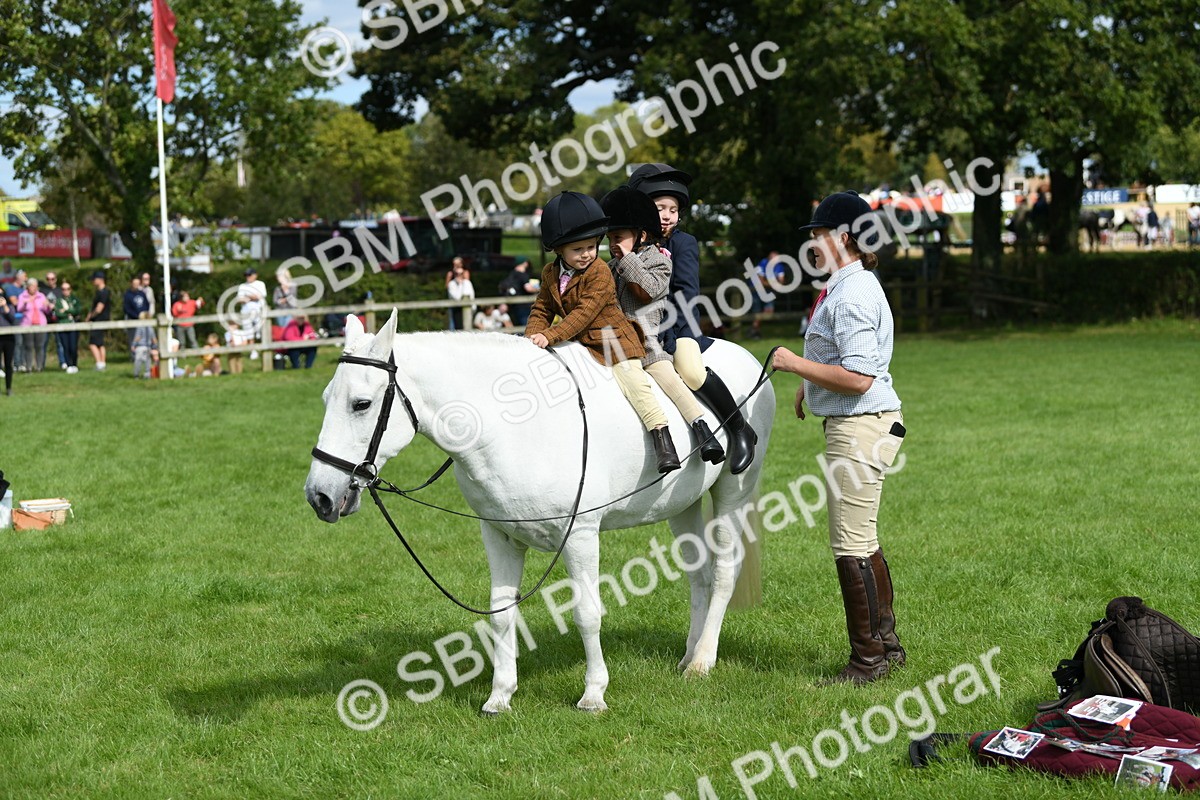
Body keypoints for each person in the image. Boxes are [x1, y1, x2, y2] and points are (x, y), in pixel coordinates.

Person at [770, 190, 907, 685]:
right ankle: (886, 648)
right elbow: (845, 367)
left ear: (844, 237)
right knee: (862, 541)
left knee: (850, 544)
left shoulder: (852, 294)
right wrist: (811, 390)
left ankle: (867, 661)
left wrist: (793, 364)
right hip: (857, 423)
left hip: (858, 428)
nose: (814, 242)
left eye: (820, 234)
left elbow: (859, 377)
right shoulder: (849, 284)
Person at [525, 190, 681, 474]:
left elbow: (583, 314)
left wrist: (549, 336)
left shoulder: (599, 271)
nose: (587, 254)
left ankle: (662, 437)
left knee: (633, 381)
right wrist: (530, 340)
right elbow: (542, 309)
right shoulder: (550, 273)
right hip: (580, 342)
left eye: (591, 246)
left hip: (615, 340)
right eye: (578, 249)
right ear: (559, 250)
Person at [629, 163, 757, 474]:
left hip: (678, 325)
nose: (668, 215)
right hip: (636, 330)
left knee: (690, 370)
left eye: (673, 209)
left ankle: (740, 429)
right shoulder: (631, 244)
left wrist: (665, 332)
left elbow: (686, 294)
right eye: (660, 208)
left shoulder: (683, 244)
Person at [601, 184, 725, 464]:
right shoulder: (611, 268)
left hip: (649, 343)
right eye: (610, 239)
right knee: (632, 380)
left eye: (618, 237)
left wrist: (627, 257)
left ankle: (703, 429)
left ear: (641, 235)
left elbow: (645, 289)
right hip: (622, 347)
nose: (612, 244)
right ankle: (663, 440)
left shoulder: (660, 262)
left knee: (672, 378)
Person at [16, 278, 52, 372]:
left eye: (35, 286)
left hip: (40, 324)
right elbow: (19, 309)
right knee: (28, 346)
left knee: (39, 346)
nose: (34, 288)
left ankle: (39, 367)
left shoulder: (41, 296)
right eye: (32, 286)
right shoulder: (22, 296)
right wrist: (26, 302)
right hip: (27, 324)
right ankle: (28, 367)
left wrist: (48, 306)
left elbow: (46, 311)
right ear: (28, 287)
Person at [748, 251, 783, 339]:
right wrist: (774, 285)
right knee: (757, 311)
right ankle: (755, 332)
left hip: (768, 291)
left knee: (769, 311)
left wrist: (777, 285)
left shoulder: (779, 266)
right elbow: (761, 281)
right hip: (755, 290)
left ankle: (753, 328)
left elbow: (781, 280)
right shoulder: (763, 263)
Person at [498, 257, 539, 326]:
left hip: (513, 305)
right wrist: (539, 289)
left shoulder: (512, 274)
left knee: (518, 327)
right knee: (525, 327)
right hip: (523, 306)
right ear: (525, 263)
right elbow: (528, 288)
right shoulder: (523, 275)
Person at [53, 280, 83, 373]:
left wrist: (65, 310)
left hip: (73, 326)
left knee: (73, 347)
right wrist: (69, 312)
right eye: (63, 289)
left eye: (67, 289)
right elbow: (58, 313)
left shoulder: (75, 299)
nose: (65, 291)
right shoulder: (58, 301)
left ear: (70, 290)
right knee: (65, 346)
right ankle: (69, 364)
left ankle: (74, 364)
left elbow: (77, 311)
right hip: (62, 326)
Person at [85, 270, 111, 370]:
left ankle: (99, 363)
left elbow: (99, 308)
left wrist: (90, 316)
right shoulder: (101, 292)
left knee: (92, 343)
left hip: (99, 320)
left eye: (94, 279)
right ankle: (102, 363)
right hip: (102, 320)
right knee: (100, 343)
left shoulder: (103, 292)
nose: (93, 281)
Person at [237, 267, 268, 348]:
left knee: (261, 330)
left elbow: (260, 296)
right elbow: (240, 299)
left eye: (249, 275)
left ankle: (264, 347)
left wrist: (248, 297)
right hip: (246, 312)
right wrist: (251, 297)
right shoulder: (242, 286)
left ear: (255, 275)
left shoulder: (260, 284)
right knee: (249, 331)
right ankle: (252, 350)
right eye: (246, 275)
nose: (248, 277)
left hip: (259, 311)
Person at [2, 270, 25, 371]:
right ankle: (15, 364)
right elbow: (15, 302)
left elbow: (11, 317)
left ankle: (20, 364)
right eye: (25, 277)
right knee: (18, 343)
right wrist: (27, 300)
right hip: (13, 320)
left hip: (22, 320)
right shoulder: (11, 288)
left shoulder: (24, 288)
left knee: (22, 343)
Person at [41, 272, 63, 368]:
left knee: (60, 343)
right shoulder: (43, 291)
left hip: (58, 320)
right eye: (48, 279)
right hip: (45, 320)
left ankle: (63, 363)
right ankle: (41, 364)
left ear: (56, 279)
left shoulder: (60, 291)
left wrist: (55, 306)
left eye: (52, 278)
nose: (50, 281)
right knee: (43, 343)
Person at [446, 261, 475, 330]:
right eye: (457, 274)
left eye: (461, 273)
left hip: (468, 309)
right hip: (456, 310)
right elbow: (457, 298)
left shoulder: (467, 283)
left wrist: (473, 308)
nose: (459, 275)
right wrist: (460, 285)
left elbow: (471, 295)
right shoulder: (451, 284)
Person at [130, 312, 158, 379]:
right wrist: (156, 346)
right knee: (147, 361)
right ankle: (147, 374)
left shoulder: (140, 327)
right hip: (148, 347)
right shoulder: (150, 327)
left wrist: (133, 344)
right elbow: (154, 339)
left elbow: (138, 337)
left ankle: (136, 375)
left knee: (138, 361)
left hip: (140, 346)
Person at [0, 290, 15, 395]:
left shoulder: (9, 307)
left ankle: (9, 388)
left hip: (9, 338)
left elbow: (12, 319)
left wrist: (5, 306)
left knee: (8, 364)